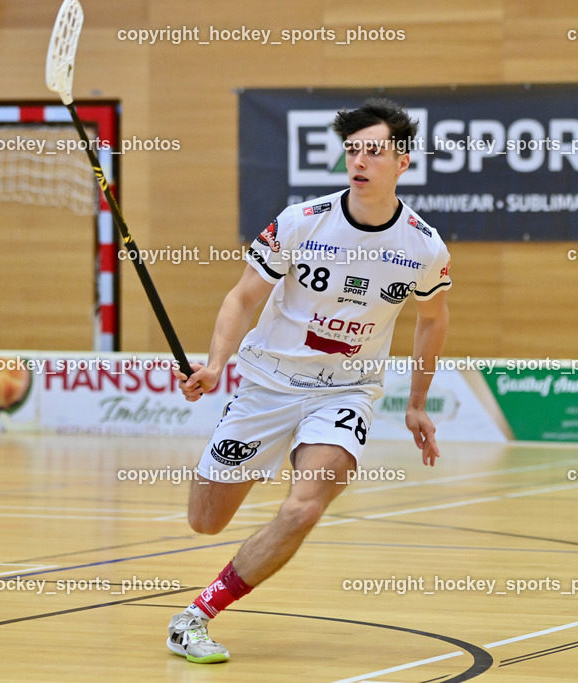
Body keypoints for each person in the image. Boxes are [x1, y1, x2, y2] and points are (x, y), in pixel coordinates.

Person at [167, 98, 452, 664]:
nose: (360, 161)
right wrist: (216, 363)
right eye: (353, 150)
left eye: (375, 150)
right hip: (269, 383)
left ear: (403, 162)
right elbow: (242, 296)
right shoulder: (302, 222)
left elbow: (433, 319)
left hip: (345, 391)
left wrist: (416, 402)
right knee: (205, 520)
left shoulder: (424, 247)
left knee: (302, 510)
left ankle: (195, 616)